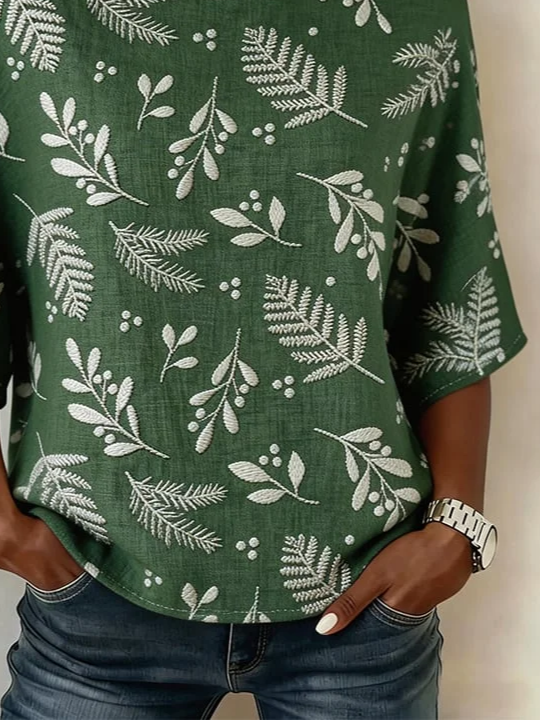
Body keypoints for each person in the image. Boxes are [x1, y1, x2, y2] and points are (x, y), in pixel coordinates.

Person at [0, 0, 527, 718]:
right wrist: (10, 534)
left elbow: (450, 280)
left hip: (363, 595)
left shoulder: (408, 12)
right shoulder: (30, 13)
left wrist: (456, 534)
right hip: (96, 592)